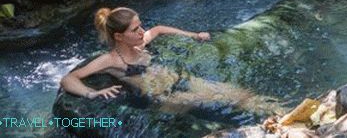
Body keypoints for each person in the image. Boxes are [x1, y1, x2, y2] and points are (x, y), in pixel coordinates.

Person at [60, 7, 277, 114]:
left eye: (140, 25)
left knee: (241, 94)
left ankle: (282, 116)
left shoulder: (140, 41)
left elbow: (159, 29)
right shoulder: (110, 60)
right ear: (118, 36)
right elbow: (69, 78)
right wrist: (92, 93)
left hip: (180, 80)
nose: (142, 31)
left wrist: (193, 35)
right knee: (222, 99)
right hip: (164, 100)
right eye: (135, 29)